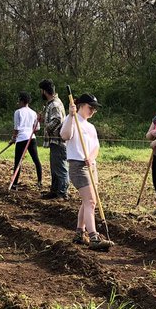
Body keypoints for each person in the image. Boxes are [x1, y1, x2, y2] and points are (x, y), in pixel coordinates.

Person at [60, 93, 107, 249]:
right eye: (90, 107)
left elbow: (96, 147)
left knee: (87, 201)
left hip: (90, 165)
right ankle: (93, 236)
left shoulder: (90, 126)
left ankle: (80, 232)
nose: (93, 111)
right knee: (91, 201)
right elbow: (64, 135)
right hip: (77, 166)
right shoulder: (72, 121)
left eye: (95, 109)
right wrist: (71, 115)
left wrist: (91, 157)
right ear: (80, 106)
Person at [39, 79, 68, 199]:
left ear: (45, 91)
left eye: (41, 90)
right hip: (54, 141)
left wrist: (47, 127)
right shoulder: (52, 104)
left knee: (60, 167)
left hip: (58, 141)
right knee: (54, 167)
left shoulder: (55, 104)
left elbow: (57, 120)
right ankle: (54, 190)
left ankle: (62, 193)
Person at [11, 92, 43, 190]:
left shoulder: (18, 112)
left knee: (18, 162)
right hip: (31, 138)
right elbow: (37, 128)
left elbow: (16, 128)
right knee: (36, 160)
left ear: (21, 101)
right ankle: (39, 182)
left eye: (19, 100)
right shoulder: (33, 113)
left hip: (21, 139)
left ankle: (14, 185)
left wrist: (13, 138)